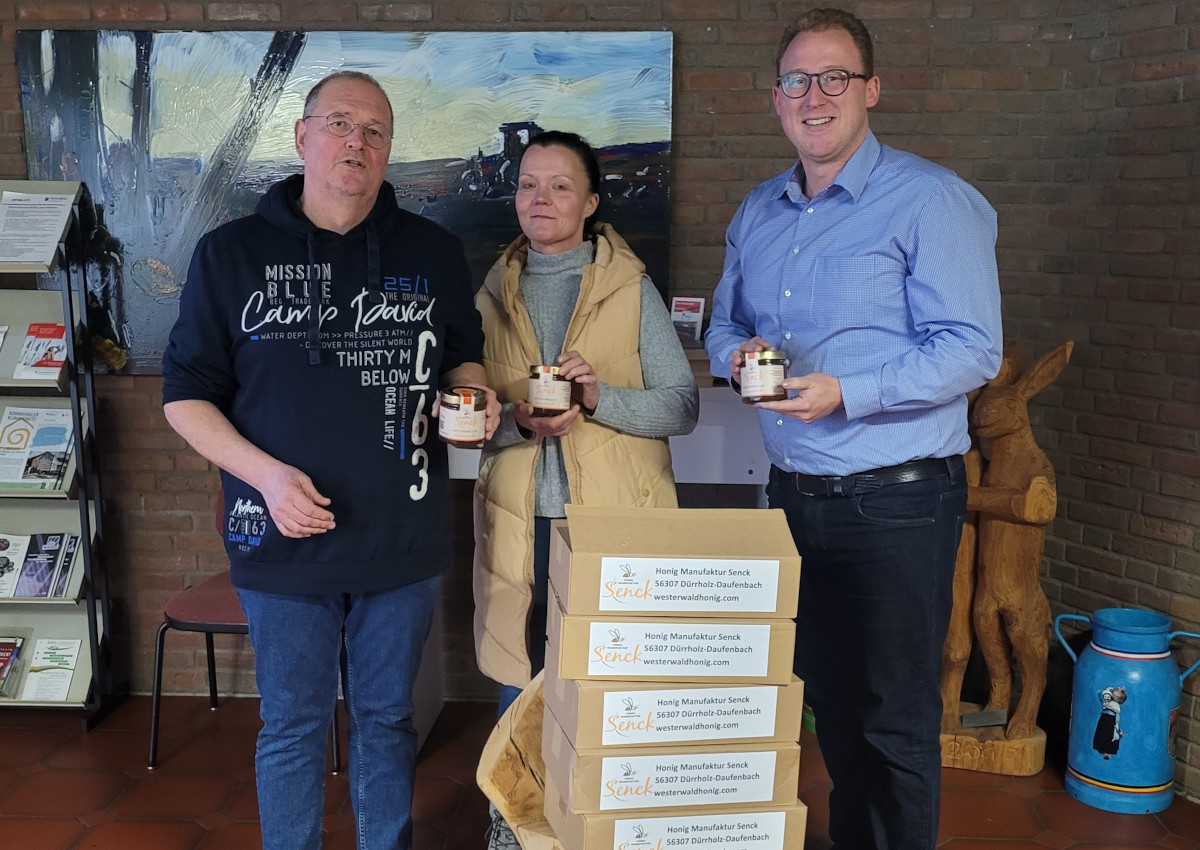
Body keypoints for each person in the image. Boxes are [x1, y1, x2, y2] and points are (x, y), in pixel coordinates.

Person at [161, 70, 499, 850]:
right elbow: (186, 395)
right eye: (341, 123)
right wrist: (267, 476)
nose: (358, 141)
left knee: (385, 720)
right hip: (279, 535)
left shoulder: (434, 251)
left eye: (375, 130)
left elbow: (463, 363)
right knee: (293, 724)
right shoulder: (230, 255)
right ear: (302, 137)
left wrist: (473, 404)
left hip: (402, 536)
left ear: (387, 151)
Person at [705, 10, 1002, 850]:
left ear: (871, 89)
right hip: (794, 498)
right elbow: (721, 325)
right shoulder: (759, 210)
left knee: (895, 720)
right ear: (776, 98)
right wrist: (739, 357)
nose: (814, 95)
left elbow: (973, 351)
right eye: (797, 79)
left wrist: (849, 392)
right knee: (828, 699)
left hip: (899, 503)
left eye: (835, 77)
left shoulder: (931, 199)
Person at [472, 131, 698, 849]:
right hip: (518, 520)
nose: (541, 199)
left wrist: (601, 400)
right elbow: (467, 418)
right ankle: (514, 824)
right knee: (521, 673)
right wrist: (513, 421)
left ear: (592, 202)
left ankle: (610, 827)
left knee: (613, 683)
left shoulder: (631, 289)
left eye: (560, 186)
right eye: (528, 184)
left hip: (610, 524)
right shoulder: (489, 294)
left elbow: (682, 405)